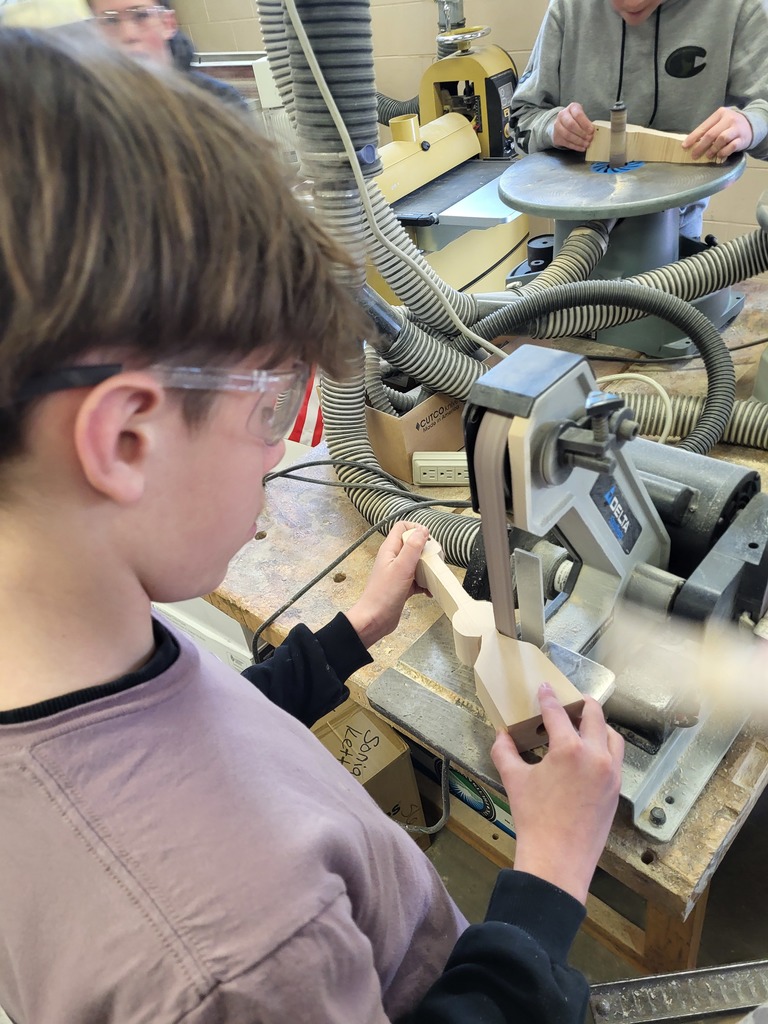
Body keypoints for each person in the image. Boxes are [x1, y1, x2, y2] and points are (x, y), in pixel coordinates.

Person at [0, 25, 624, 1024]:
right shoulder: (244, 960)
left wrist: (346, 635)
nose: (275, 450)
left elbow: (192, 728)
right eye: (267, 406)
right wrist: (544, 887)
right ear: (124, 439)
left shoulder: (67, 636)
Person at [509, 0, 768, 237]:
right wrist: (552, 126)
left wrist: (751, 123)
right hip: (575, 238)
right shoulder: (568, 7)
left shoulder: (741, 7)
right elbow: (521, 120)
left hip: (677, 233)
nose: (630, 3)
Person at [87, 0, 248, 109]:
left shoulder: (217, 101)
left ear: (168, 23)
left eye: (141, 16)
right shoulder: (90, 111)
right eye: (110, 20)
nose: (128, 35)